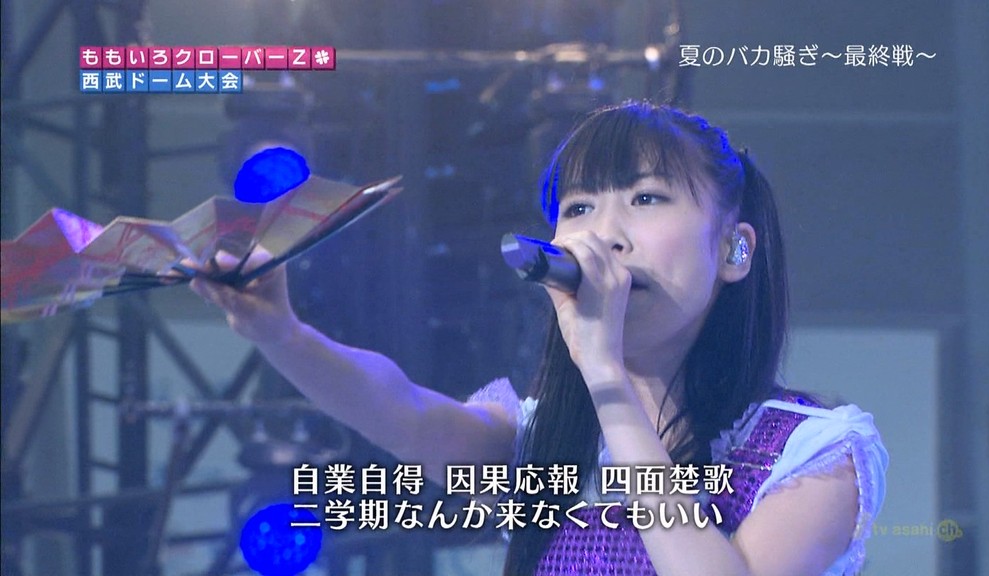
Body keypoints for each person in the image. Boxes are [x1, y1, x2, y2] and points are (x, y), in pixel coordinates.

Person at [191, 101, 888, 576]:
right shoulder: (546, 443)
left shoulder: (814, 455)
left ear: (735, 249)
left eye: (646, 198)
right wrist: (281, 333)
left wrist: (605, 374)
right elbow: (407, 414)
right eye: (579, 207)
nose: (603, 234)